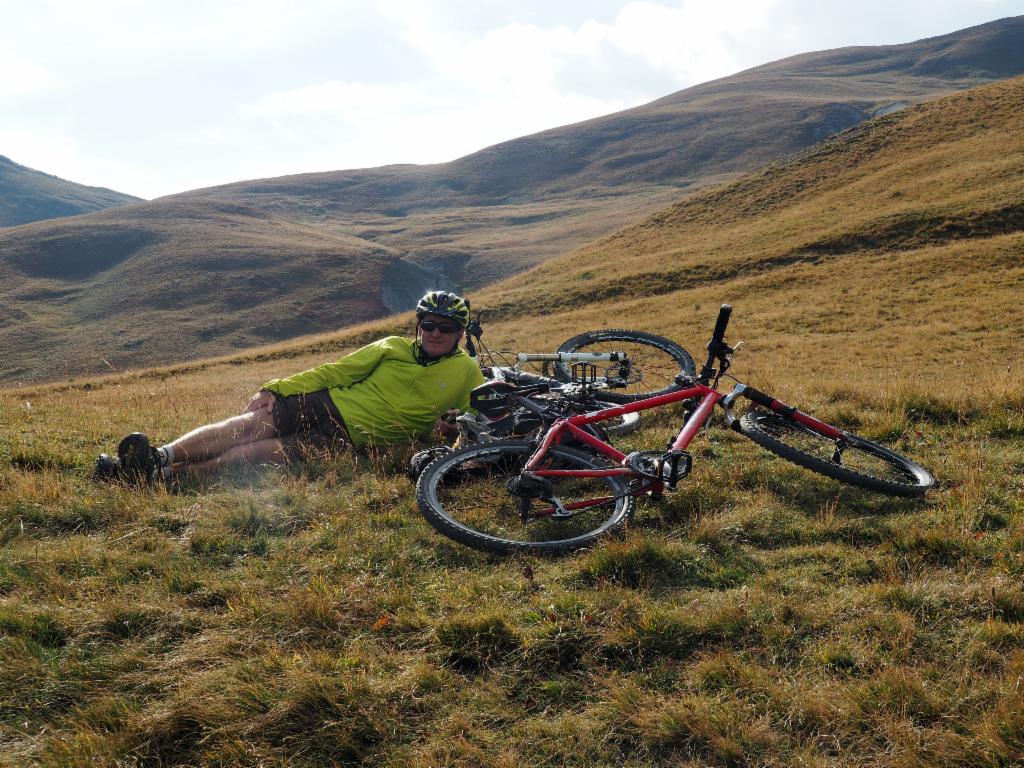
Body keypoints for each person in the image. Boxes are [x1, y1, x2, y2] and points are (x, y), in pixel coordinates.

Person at [95, 291, 485, 484]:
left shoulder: (467, 372)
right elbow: (334, 372)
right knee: (244, 426)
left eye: (446, 327)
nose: (435, 333)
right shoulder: (392, 347)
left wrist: (450, 427)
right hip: (326, 403)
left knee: (252, 453)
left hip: (351, 440)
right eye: (429, 325)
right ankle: (158, 456)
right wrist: (274, 389)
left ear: (459, 333)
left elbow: (480, 415)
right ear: (418, 327)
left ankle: (157, 479)